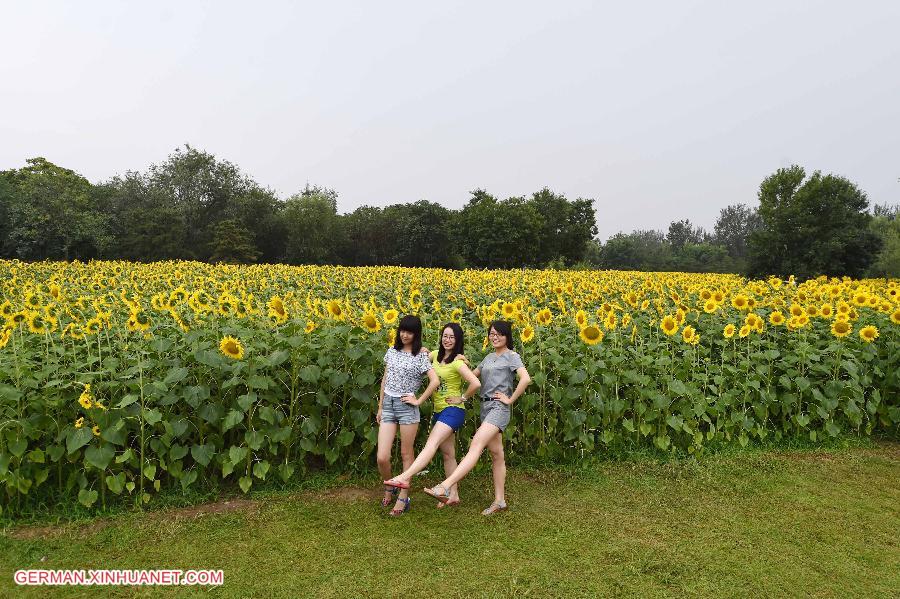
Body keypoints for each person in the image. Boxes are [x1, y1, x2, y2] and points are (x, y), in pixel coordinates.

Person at [424, 320, 531, 515]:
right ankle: (500, 501)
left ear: (507, 337)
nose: (495, 337)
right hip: (485, 406)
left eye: (499, 334)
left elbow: (525, 378)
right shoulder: (488, 357)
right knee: (497, 454)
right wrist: (459, 361)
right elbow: (470, 375)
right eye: (492, 333)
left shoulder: (512, 356)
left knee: (476, 444)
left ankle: (445, 486)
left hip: (499, 407)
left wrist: (510, 399)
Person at [382, 322, 481, 507]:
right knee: (448, 455)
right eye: (445, 336)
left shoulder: (458, 362)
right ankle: (453, 495)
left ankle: (404, 476)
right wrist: (423, 350)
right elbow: (422, 356)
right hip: (439, 411)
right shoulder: (435, 355)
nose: (448, 340)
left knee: (432, 443)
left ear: (458, 340)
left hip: (453, 411)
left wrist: (462, 398)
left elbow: (475, 383)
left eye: (452, 337)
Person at [377, 314, 440, 516]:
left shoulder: (420, 355)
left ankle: (403, 498)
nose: (405, 335)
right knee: (382, 457)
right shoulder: (391, 351)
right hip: (388, 404)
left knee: (406, 454)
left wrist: (419, 400)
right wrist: (380, 407)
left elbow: (435, 381)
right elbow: (385, 380)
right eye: (403, 330)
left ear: (416, 334)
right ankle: (389, 487)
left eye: (410, 331)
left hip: (407, 407)